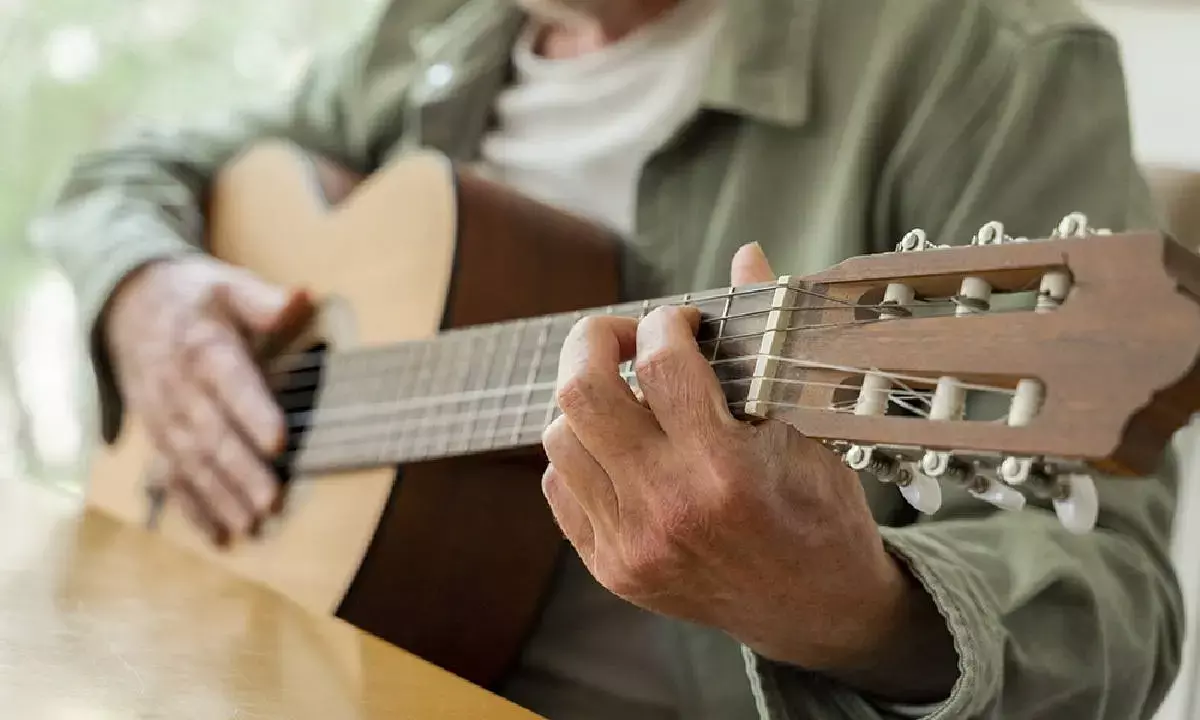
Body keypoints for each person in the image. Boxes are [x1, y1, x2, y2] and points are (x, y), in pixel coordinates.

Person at [34, 0, 1186, 718]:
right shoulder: (430, 35)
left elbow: (1120, 608)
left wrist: (851, 612)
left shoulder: (982, 59)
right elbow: (131, 170)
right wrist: (149, 291)